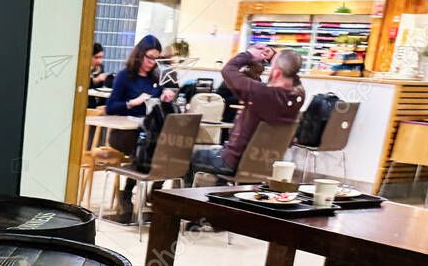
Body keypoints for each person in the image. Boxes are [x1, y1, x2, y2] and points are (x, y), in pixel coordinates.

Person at [188, 46, 305, 180]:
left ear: (277, 73)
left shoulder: (261, 93)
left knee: (185, 156)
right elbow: (290, 70)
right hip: (266, 163)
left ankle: (177, 198)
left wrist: (248, 54)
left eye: (272, 67)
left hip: (234, 161)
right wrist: (275, 56)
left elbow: (228, 70)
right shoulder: (298, 96)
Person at [105, 35, 177, 211]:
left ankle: (154, 191)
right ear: (139, 55)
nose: (152, 62)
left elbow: (160, 107)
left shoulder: (157, 78)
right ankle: (129, 192)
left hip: (148, 132)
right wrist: (132, 102)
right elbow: (110, 107)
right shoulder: (124, 76)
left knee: (167, 148)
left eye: (156, 58)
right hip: (124, 134)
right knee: (147, 146)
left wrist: (166, 95)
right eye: (149, 57)